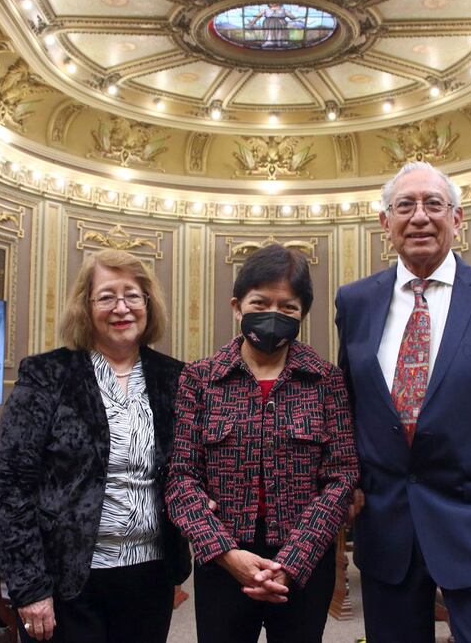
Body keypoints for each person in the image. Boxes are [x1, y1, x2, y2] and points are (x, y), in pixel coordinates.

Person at [334, 161, 471, 643]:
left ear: (457, 220)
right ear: (384, 222)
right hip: (389, 528)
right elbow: (349, 408)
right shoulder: (354, 302)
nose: (419, 217)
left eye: (434, 204)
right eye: (405, 205)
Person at [0, 249, 191, 642]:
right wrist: (30, 587)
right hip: (68, 579)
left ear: (148, 304)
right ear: (86, 305)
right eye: (107, 296)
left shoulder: (175, 378)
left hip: (149, 574)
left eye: (133, 295)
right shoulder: (48, 374)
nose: (122, 308)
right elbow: (10, 484)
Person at [166, 244, 358, 643]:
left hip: (304, 561)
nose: (273, 314)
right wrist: (226, 553)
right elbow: (180, 478)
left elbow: (342, 477)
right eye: (260, 302)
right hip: (223, 562)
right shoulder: (200, 379)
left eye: (287, 307)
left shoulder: (326, 380)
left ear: (303, 312)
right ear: (238, 307)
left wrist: (292, 560)